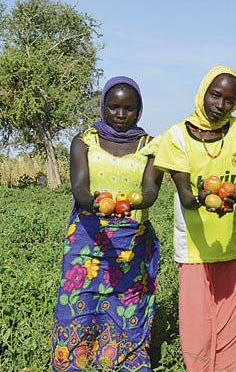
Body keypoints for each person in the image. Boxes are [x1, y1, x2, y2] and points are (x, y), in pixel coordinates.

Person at [154, 66, 236, 371]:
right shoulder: (176, 136)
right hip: (195, 247)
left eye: (230, 100)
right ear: (203, 93)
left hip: (235, 242)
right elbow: (187, 199)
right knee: (198, 324)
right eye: (215, 95)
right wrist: (203, 197)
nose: (221, 105)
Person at [51, 76, 163, 371]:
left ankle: (124, 362)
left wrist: (131, 204)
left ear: (138, 111)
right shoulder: (84, 140)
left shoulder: (151, 145)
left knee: (125, 305)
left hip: (131, 241)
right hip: (87, 237)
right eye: (113, 107)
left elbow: (151, 191)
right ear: (103, 107)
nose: (120, 114)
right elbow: (79, 188)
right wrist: (98, 203)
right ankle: (72, 363)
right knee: (78, 301)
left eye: (128, 108)